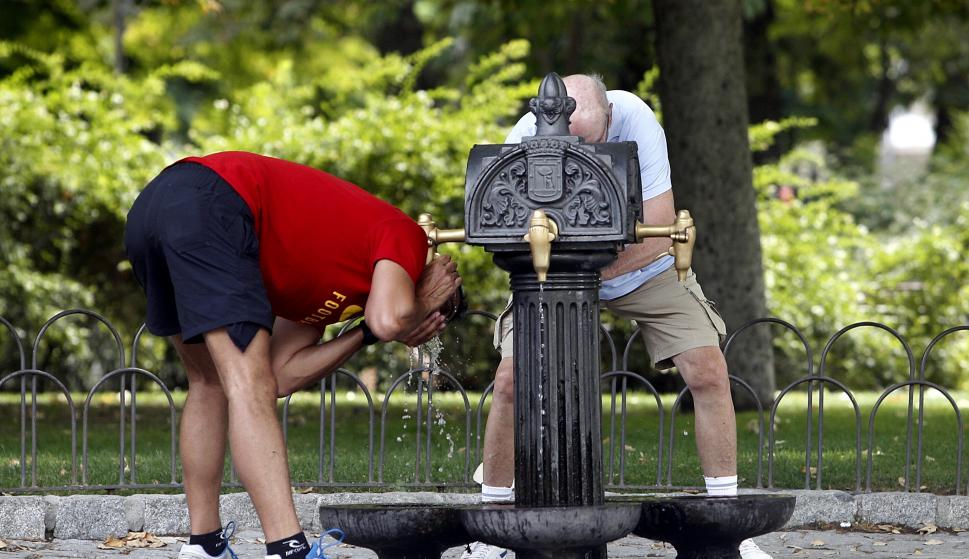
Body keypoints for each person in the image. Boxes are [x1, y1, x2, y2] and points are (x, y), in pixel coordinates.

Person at [462, 75, 771, 559]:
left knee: (709, 372)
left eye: (590, 141)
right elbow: (504, 234)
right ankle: (493, 534)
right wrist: (564, 273)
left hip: (639, 269)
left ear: (609, 116)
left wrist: (586, 270)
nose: (577, 150)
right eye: (568, 139)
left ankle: (729, 527)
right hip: (550, 279)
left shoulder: (636, 118)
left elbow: (658, 228)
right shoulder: (524, 135)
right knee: (509, 380)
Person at [124, 151, 462, 559]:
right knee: (247, 385)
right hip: (215, 199)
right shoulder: (405, 234)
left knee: (210, 381)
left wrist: (364, 335)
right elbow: (391, 320)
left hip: (155, 208)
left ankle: (205, 546)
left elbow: (282, 376)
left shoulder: (333, 292)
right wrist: (416, 309)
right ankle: (288, 549)